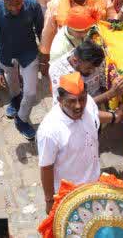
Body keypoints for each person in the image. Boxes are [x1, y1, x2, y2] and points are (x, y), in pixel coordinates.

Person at [0, 0, 44, 140]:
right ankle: (15, 101)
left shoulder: (32, 5)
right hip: (6, 55)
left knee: (30, 93)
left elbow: (41, 30)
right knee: (14, 89)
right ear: (3, 0)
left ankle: (21, 120)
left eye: (18, 4)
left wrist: (44, 56)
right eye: (10, 5)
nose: (15, 8)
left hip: (28, 53)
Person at [38, 73, 101, 211]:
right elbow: (46, 167)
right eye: (72, 101)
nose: (79, 106)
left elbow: (96, 117)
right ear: (60, 100)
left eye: (81, 99)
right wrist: (49, 200)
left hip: (94, 183)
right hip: (70, 194)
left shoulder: (89, 103)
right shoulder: (49, 130)